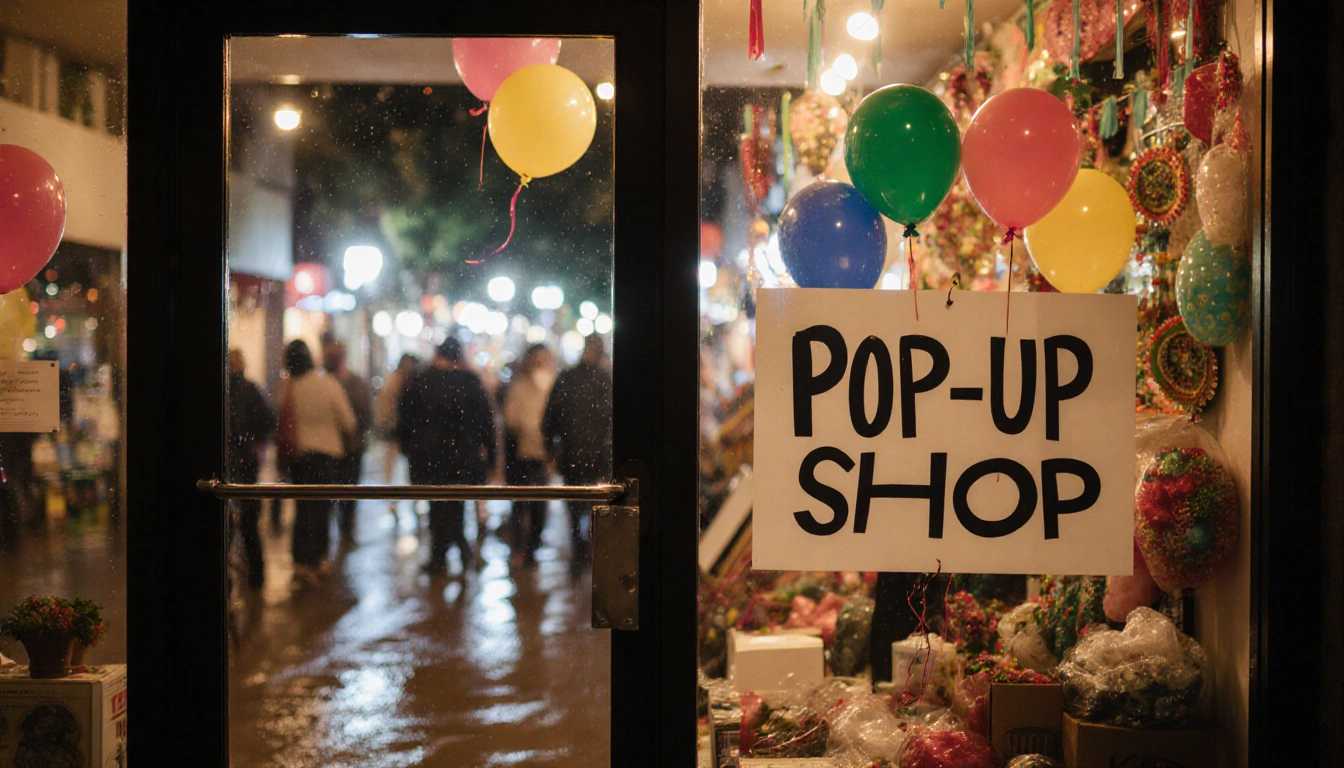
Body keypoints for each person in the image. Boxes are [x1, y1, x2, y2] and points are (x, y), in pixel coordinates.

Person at [397, 338, 496, 576]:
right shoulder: (469, 382)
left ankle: (441, 555)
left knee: (437, 506)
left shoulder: (421, 381)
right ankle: (459, 551)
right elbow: (486, 421)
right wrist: (490, 455)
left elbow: (406, 421)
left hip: (429, 458)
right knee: (457, 504)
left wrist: (409, 451)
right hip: (463, 457)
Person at [277, 340, 356, 584]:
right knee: (322, 508)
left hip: (299, 456)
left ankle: (301, 561)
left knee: (302, 508)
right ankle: (320, 558)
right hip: (327, 456)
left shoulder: (289, 388)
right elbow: (349, 422)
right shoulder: (328, 384)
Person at [542, 334, 613, 565]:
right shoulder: (605, 380)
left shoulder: (568, 378)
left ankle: (579, 550)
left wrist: (551, 449)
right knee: (595, 505)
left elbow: (549, 419)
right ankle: (591, 549)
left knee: (574, 505)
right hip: (597, 458)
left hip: (572, 455)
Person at [502, 344, 556, 568]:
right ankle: (520, 549)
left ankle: (531, 548)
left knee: (537, 506)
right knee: (521, 504)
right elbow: (511, 420)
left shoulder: (552, 385)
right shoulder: (520, 387)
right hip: (522, 455)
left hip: (543, 455)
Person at [227, 349, 275, 589]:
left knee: (229, 521)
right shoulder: (251, 390)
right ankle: (257, 576)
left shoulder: (222, 390)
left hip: (228, 463)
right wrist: (256, 441)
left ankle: (230, 576)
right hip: (246, 463)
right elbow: (268, 421)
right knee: (249, 522)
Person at [322, 338, 372, 544]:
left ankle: (345, 533)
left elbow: (365, 415)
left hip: (348, 447)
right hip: (338, 448)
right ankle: (342, 534)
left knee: (346, 493)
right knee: (338, 494)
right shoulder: (327, 383)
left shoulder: (352, 383)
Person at [374, 354, 418, 485]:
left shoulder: (401, 380)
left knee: (393, 457)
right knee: (391, 457)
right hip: (395, 424)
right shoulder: (396, 381)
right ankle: (389, 485)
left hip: (399, 425)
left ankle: (391, 484)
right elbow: (386, 403)